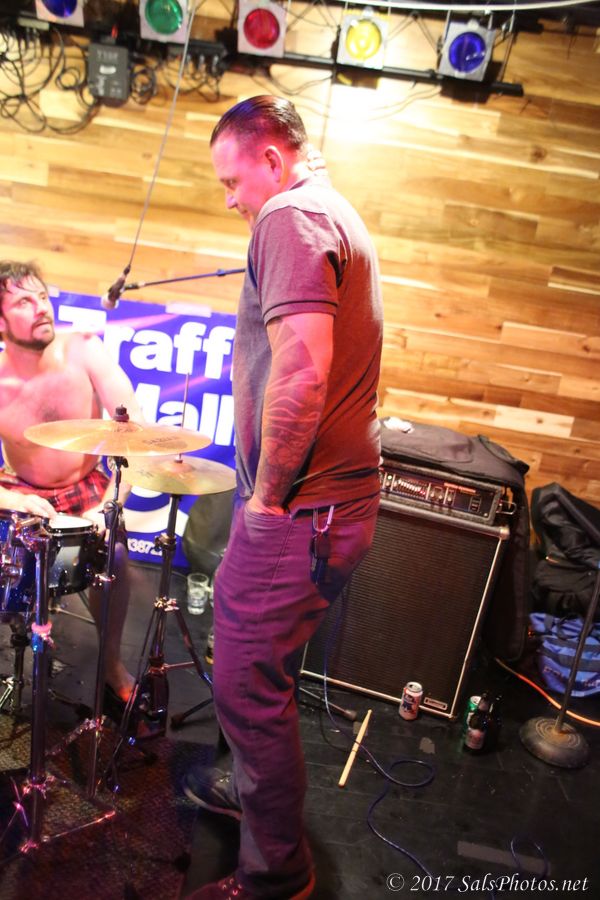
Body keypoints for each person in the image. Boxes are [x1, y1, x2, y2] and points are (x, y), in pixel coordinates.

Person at [182, 97, 383, 900]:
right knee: (265, 676)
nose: (231, 199)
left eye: (232, 181)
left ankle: (277, 878)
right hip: (328, 507)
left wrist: (265, 503)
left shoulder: (290, 218)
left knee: (243, 686)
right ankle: (254, 799)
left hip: (299, 509)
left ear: (272, 159)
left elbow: (301, 369)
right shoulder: (331, 213)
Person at [0, 259, 140, 707]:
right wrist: (11, 498)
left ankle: (112, 664)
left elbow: (135, 436)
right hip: (24, 490)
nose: (41, 307)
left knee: (116, 556)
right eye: (24, 302)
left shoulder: (84, 349)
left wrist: (110, 506)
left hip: (86, 487)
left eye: (42, 296)